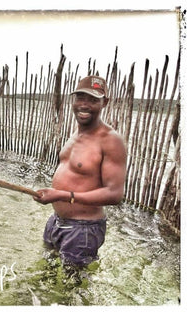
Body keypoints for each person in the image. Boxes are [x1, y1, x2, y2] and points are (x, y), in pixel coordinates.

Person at [34, 75, 127, 268]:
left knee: (73, 289)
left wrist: (61, 195)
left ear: (105, 103)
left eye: (93, 100)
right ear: (73, 100)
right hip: (56, 222)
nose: (84, 104)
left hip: (83, 231)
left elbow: (114, 194)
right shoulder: (76, 133)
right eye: (80, 98)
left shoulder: (111, 140)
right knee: (45, 275)